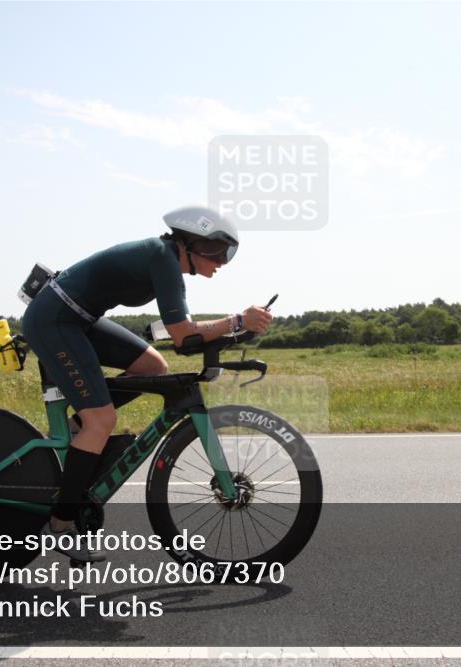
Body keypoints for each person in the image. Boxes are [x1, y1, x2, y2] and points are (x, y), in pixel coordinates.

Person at [21, 206, 273, 561]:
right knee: (102, 421)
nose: (222, 261)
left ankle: (78, 430)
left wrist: (234, 328)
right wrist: (237, 320)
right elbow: (184, 337)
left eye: (228, 254)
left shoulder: (165, 260)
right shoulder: (163, 259)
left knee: (152, 366)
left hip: (77, 319)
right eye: (219, 252)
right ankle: (60, 525)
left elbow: (179, 342)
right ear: (191, 242)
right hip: (55, 320)